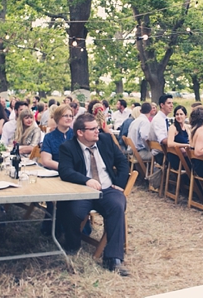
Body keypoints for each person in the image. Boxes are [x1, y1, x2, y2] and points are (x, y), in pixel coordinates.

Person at [58, 114, 130, 276]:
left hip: (107, 189)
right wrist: (86, 180)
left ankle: (113, 258)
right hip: (83, 191)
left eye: (97, 128)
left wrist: (119, 184)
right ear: (80, 133)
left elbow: (122, 162)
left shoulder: (105, 140)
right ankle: (73, 244)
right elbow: (65, 171)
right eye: (93, 129)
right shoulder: (68, 147)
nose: (98, 131)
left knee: (117, 206)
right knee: (73, 210)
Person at [39, 105, 74, 170]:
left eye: (70, 116)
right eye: (65, 116)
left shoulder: (77, 135)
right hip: (56, 173)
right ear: (57, 117)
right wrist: (65, 168)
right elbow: (46, 161)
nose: (69, 118)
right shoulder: (49, 137)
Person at [149, 94, 173, 162]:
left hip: (164, 151)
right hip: (160, 154)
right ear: (162, 105)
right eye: (169, 103)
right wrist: (176, 142)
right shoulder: (158, 120)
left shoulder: (164, 118)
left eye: (172, 103)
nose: (171, 105)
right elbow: (163, 140)